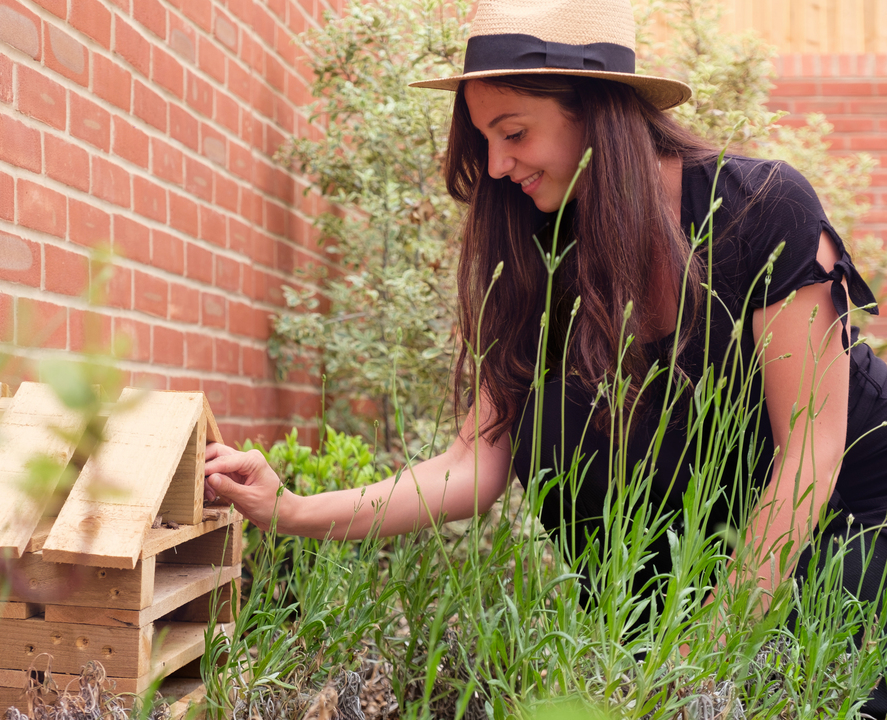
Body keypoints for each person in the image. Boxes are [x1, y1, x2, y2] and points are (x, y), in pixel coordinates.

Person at [202, 0, 887, 713]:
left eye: (514, 132)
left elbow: (809, 452)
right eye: (485, 139)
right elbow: (472, 465)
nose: (496, 166)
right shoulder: (538, 252)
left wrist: (709, 645)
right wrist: (291, 510)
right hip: (698, 559)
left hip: (849, 522)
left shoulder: (759, 209)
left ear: (596, 113)